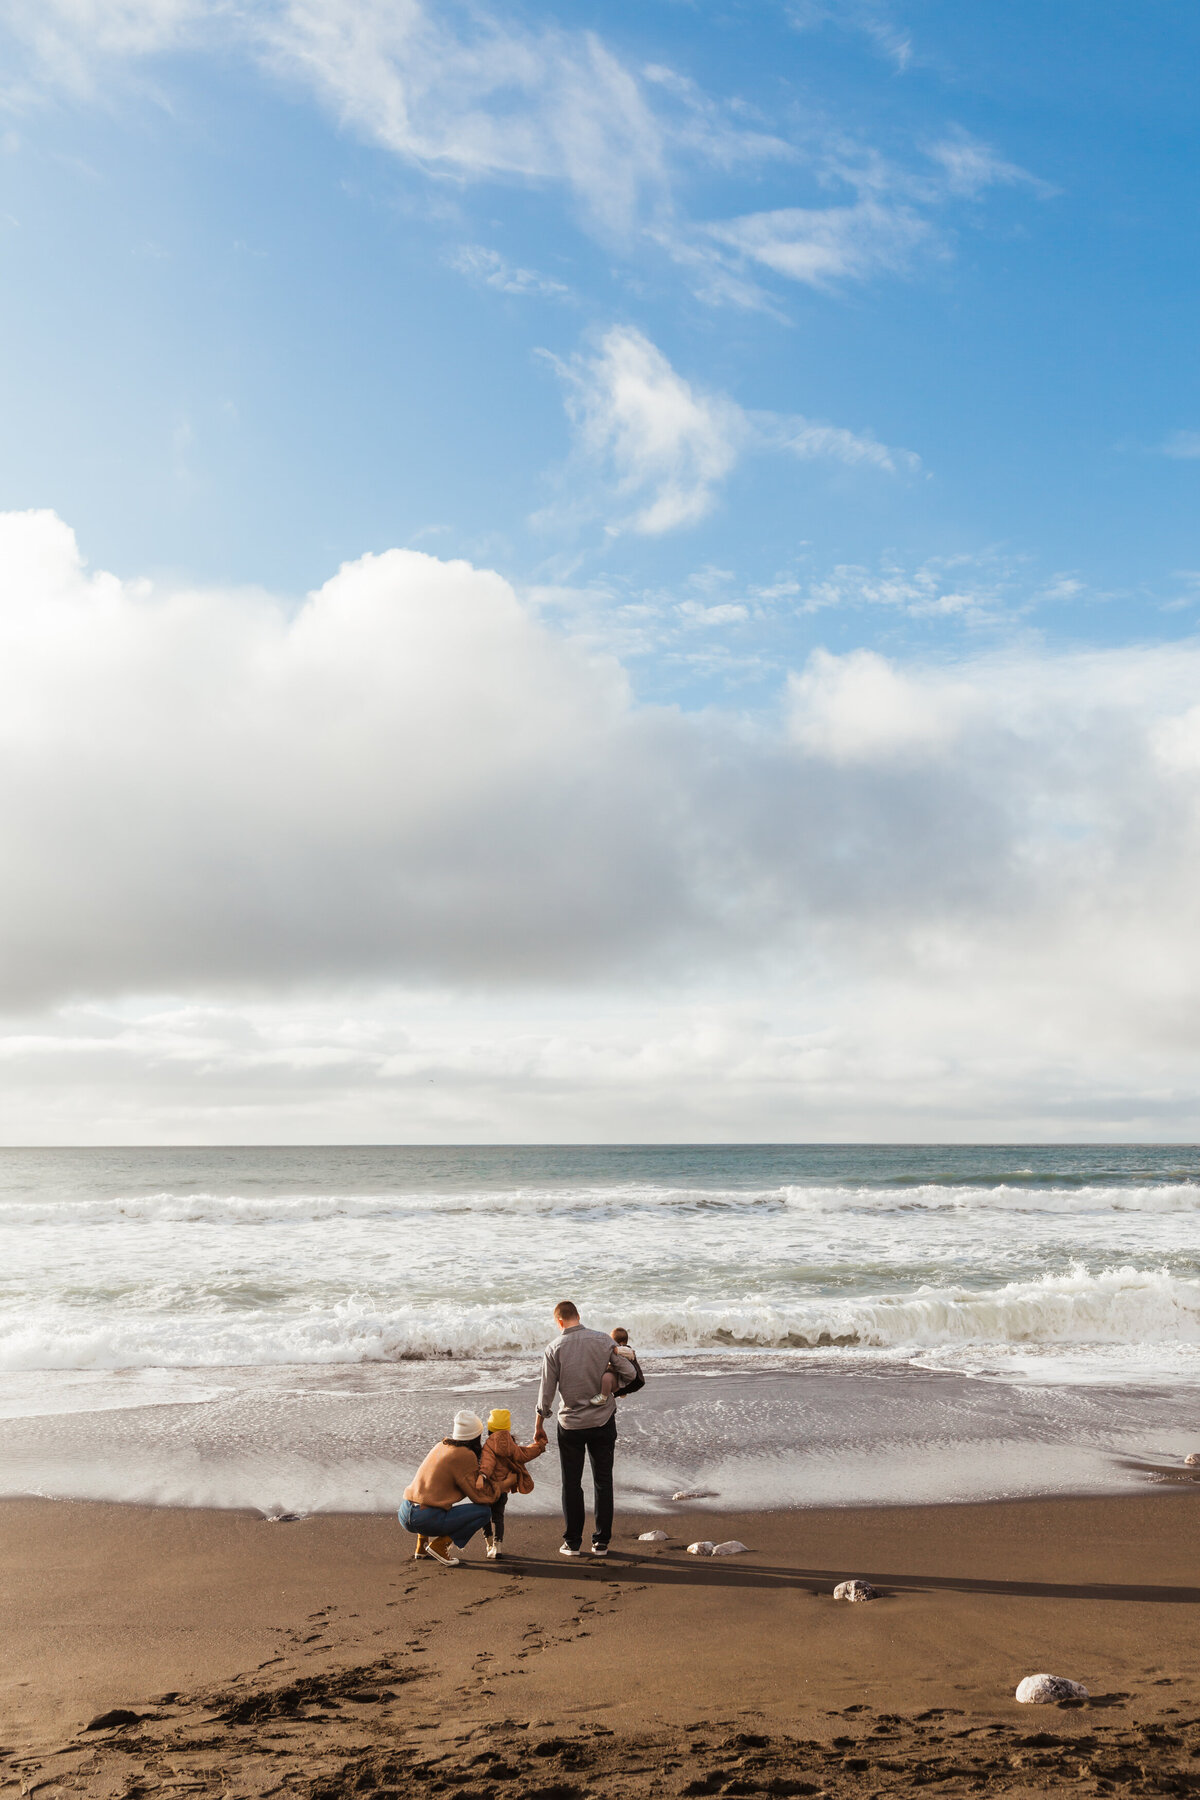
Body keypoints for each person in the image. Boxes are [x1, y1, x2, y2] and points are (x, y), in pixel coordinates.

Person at [535, 1299, 632, 1559]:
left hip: (571, 1425)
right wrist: (612, 1386)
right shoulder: (603, 1341)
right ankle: (601, 1543)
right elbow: (630, 1373)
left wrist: (539, 1425)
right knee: (603, 1481)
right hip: (602, 1420)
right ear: (578, 1316)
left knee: (571, 1483)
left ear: (559, 1321)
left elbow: (546, 1395)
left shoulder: (554, 1348)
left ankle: (573, 1543)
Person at [397, 1410, 498, 1566]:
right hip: (424, 1519)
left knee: (431, 1498)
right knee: (483, 1513)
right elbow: (477, 1496)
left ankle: (421, 1547)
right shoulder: (465, 1454)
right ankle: (440, 1545)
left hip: (405, 1512)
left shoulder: (441, 1445)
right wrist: (500, 1486)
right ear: (476, 1436)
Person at [478, 1406, 547, 1558]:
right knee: (499, 1518)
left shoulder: (489, 1445)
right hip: (503, 1490)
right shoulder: (511, 1444)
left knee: (484, 1516)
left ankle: (489, 1544)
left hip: (489, 1489)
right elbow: (525, 1454)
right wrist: (540, 1446)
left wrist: (482, 1476)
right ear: (507, 1428)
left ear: (490, 1428)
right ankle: (498, 1546)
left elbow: (487, 1465)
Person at [590, 1326, 639, 1406]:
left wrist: (618, 1350)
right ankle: (622, 1391)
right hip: (621, 1374)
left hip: (625, 1374)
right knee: (611, 1375)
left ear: (621, 1343)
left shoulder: (625, 1349)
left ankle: (603, 1397)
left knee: (606, 1378)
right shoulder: (618, 1354)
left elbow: (631, 1353)